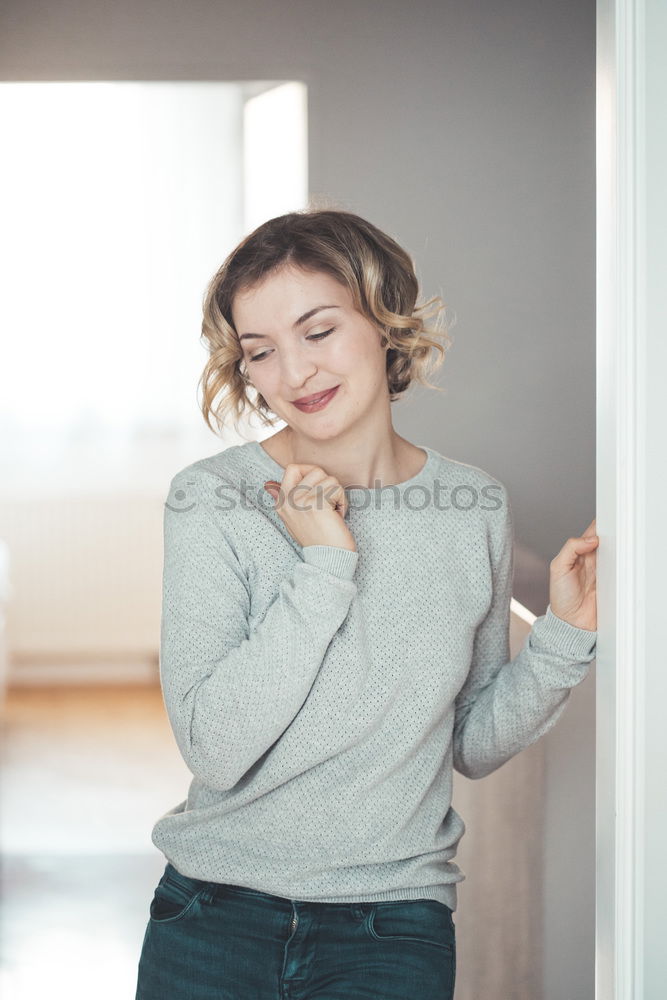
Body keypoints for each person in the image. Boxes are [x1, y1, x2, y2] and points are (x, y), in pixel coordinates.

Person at [134, 208, 599, 1000]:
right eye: (261, 352)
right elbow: (214, 747)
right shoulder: (214, 499)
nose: (294, 373)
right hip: (212, 915)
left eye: (317, 331)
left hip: (391, 928)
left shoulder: (473, 505)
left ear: (385, 320)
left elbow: (471, 744)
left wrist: (562, 638)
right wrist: (323, 565)